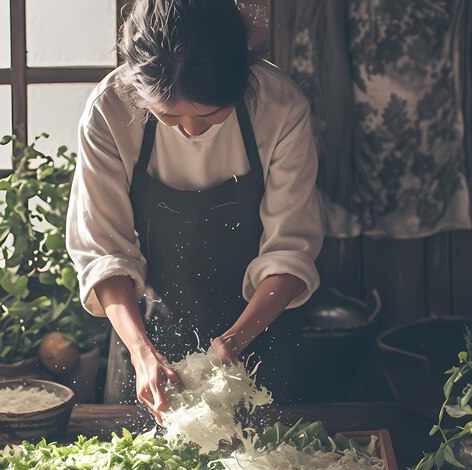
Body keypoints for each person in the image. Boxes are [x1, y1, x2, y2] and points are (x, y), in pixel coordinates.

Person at [66, 0, 323, 420]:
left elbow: (290, 251)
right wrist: (140, 350)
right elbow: (103, 254)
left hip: (260, 328)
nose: (191, 130)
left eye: (211, 115)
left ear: (241, 81)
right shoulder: (109, 110)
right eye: (168, 116)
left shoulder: (280, 107)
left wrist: (234, 342)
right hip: (146, 326)